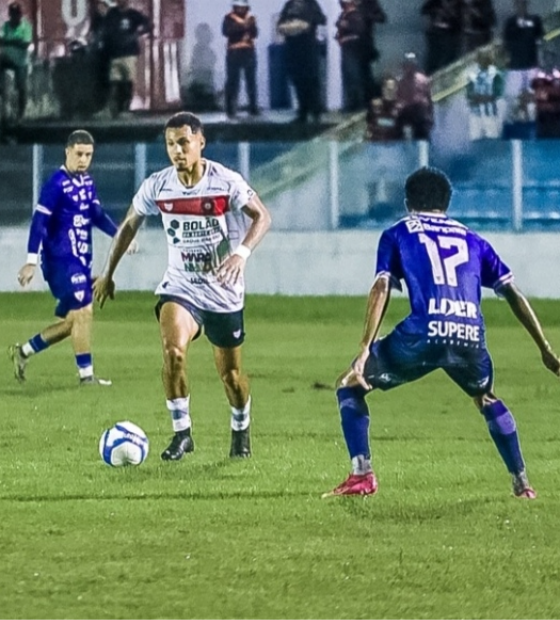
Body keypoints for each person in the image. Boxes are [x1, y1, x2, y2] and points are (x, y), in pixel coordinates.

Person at [323, 166, 560, 499]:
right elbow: (513, 293)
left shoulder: (398, 232)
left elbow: (381, 286)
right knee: (486, 397)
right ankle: (522, 484)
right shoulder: (475, 239)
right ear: (447, 203)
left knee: (349, 385)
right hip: (469, 336)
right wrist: (545, 349)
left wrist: (365, 347)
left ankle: (362, 475)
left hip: (422, 334)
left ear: (408, 201)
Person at [92, 112, 272, 461]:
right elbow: (129, 224)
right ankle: (182, 434)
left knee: (232, 376)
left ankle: (240, 430)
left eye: (184, 142)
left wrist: (241, 254)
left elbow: (262, 216)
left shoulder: (225, 181)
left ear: (200, 143)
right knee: (173, 352)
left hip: (223, 290)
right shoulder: (159, 185)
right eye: (171, 144)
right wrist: (108, 273)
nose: (177, 150)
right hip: (181, 286)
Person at [8, 130, 131, 386]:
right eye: (79, 154)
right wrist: (31, 260)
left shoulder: (87, 182)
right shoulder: (56, 184)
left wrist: (120, 235)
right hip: (60, 262)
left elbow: (97, 215)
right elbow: (39, 222)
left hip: (80, 261)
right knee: (84, 312)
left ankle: (22, 352)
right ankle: (87, 377)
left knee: (72, 323)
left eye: (88, 155)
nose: (83, 159)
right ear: (67, 152)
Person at [277, 0, 327, 124]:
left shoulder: (311, 4)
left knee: (311, 80)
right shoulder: (289, 5)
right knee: (298, 80)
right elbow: (280, 24)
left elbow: (322, 19)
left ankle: (316, 112)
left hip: (308, 48)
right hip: (293, 48)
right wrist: (288, 27)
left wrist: (305, 24)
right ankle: (302, 112)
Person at [102, 0, 152, 117]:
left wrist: (136, 34)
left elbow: (148, 24)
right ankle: (113, 109)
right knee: (114, 82)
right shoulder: (112, 14)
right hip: (114, 54)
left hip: (129, 53)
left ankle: (125, 108)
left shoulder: (133, 14)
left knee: (127, 82)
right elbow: (106, 29)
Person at [502, 0, 544, 121]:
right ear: (515, 6)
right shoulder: (510, 23)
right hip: (515, 67)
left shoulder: (535, 20)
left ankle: (532, 121)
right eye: (518, 4)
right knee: (511, 98)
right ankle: (511, 122)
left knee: (533, 98)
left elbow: (540, 39)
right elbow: (505, 43)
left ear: (527, 5)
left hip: (531, 65)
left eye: (523, 4)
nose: (521, 7)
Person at [222, 0, 259, 119]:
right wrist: (242, 26)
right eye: (238, 7)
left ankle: (253, 108)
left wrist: (251, 26)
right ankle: (230, 109)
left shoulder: (251, 18)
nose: (241, 9)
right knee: (232, 81)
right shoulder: (229, 18)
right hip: (234, 52)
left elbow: (254, 34)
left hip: (248, 52)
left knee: (251, 81)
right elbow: (226, 31)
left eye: (243, 7)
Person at [335, 0, 372, 113]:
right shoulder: (344, 14)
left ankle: (357, 104)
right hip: (346, 49)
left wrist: (347, 35)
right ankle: (350, 103)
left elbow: (359, 32)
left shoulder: (356, 15)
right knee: (347, 77)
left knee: (354, 76)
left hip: (354, 50)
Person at [0, 2, 32, 122]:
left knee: (21, 87)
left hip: (21, 61)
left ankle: (20, 115)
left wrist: (9, 41)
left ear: (20, 15)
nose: (14, 18)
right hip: (8, 58)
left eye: (16, 15)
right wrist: (15, 41)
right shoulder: (6, 26)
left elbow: (25, 44)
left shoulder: (26, 27)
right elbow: (0, 40)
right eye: (12, 15)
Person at [466, 49, 504, 140]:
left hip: (490, 114)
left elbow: (498, 93)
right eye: (481, 58)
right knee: (475, 140)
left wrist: (482, 99)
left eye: (485, 58)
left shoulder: (496, 74)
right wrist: (475, 98)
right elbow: (469, 94)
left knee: (492, 140)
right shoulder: (471, 74)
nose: (483, 60)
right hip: (475, 114)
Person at [395, 52, 434, 140]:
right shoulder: (400, 83)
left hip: (420, 114)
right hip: (408, 115)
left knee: (423, 139)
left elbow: (429, 97)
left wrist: (431, 115)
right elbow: (397, 101)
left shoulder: (422, 79)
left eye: (411, 65)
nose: (409, 68)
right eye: (407, 65)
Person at [421, 0, 462, 74]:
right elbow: (424, 11)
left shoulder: (459, 3)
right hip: (440, 32)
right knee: (435, 60)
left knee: (448, 60)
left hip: (450, 32)